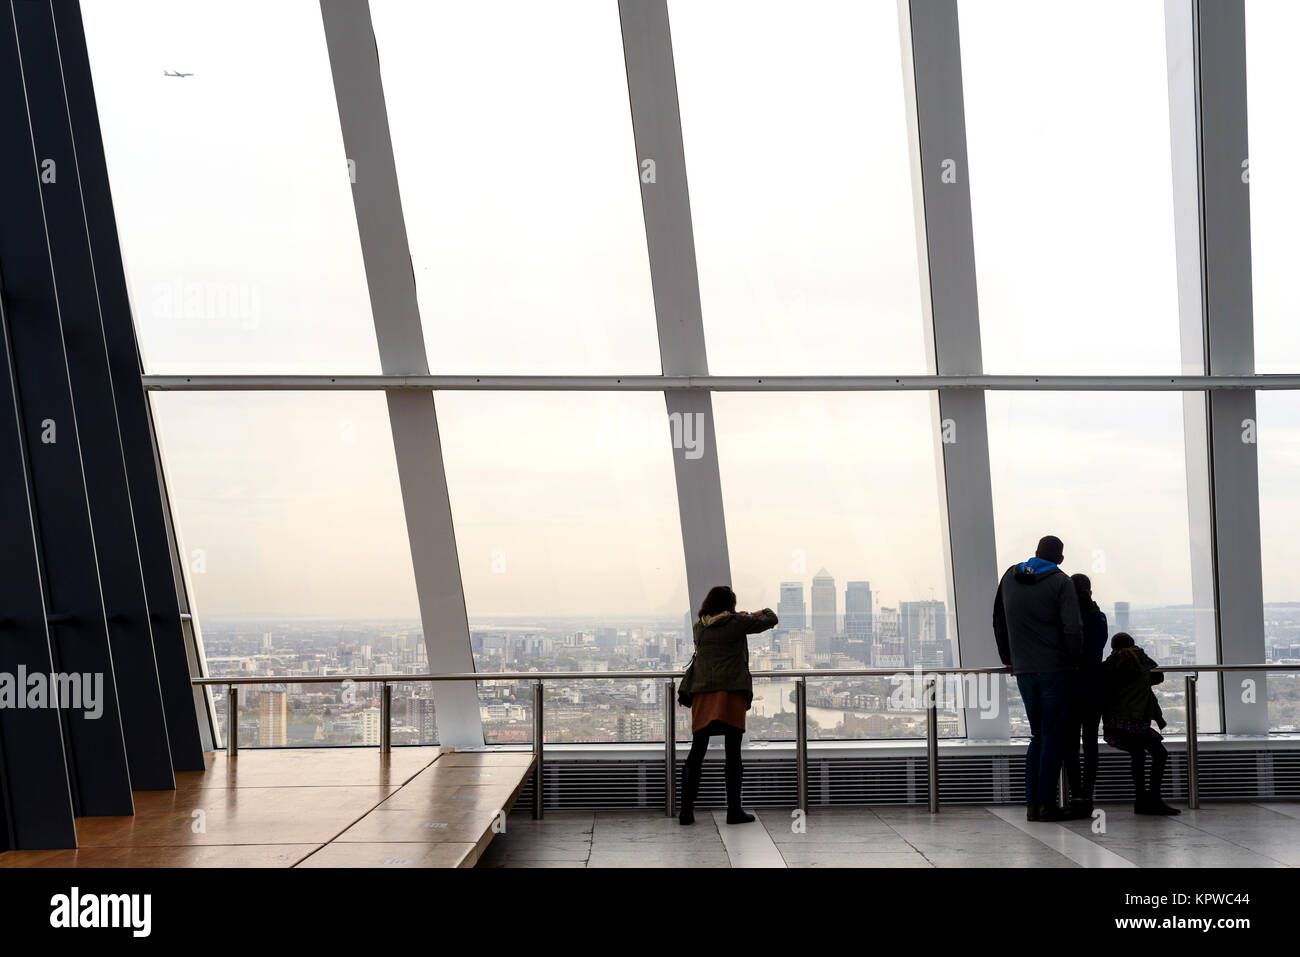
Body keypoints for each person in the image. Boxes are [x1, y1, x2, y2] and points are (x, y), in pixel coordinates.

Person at [993, 534, 1083, 822]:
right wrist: (1074, 660)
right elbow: (1073, 628)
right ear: (1060, 558)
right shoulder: (1061, 582)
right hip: (1055, 669)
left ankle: (1032, 804)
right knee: (1052, 737)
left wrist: (1008, 657)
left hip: (1022, 669)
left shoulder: (1010, 576)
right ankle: (1046, 805)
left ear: (1035, 552)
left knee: (1037, 736)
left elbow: (997, 618)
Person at [676, 585, 777, 826]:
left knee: (696, 753)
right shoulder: (736, 623)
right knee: (733, 755)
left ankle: (686, 811)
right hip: (730, 694)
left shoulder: (699, 626)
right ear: (730, 604)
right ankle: (734, 811)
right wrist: (751, 613)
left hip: (702, 694)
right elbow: (771, 618)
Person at [1102, 633, 1180, 815]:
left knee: (1138, 756)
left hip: (1116, 725)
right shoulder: (1143, 665)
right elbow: (1158, 677)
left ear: (1112, 647)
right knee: (1159, 754)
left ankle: (1141, 799)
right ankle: (1153, 798)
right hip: (1138, 723)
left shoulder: (1108, 666)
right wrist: (1141, 655)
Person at [1063, 573, 1109, 818]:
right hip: (1094, 686)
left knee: (1070, 743)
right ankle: (1088, 795)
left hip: (1071, 686)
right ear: (1089, 592)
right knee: (1090, 742)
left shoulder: (1067, 619)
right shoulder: (1098, 617)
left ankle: (1076, 795)